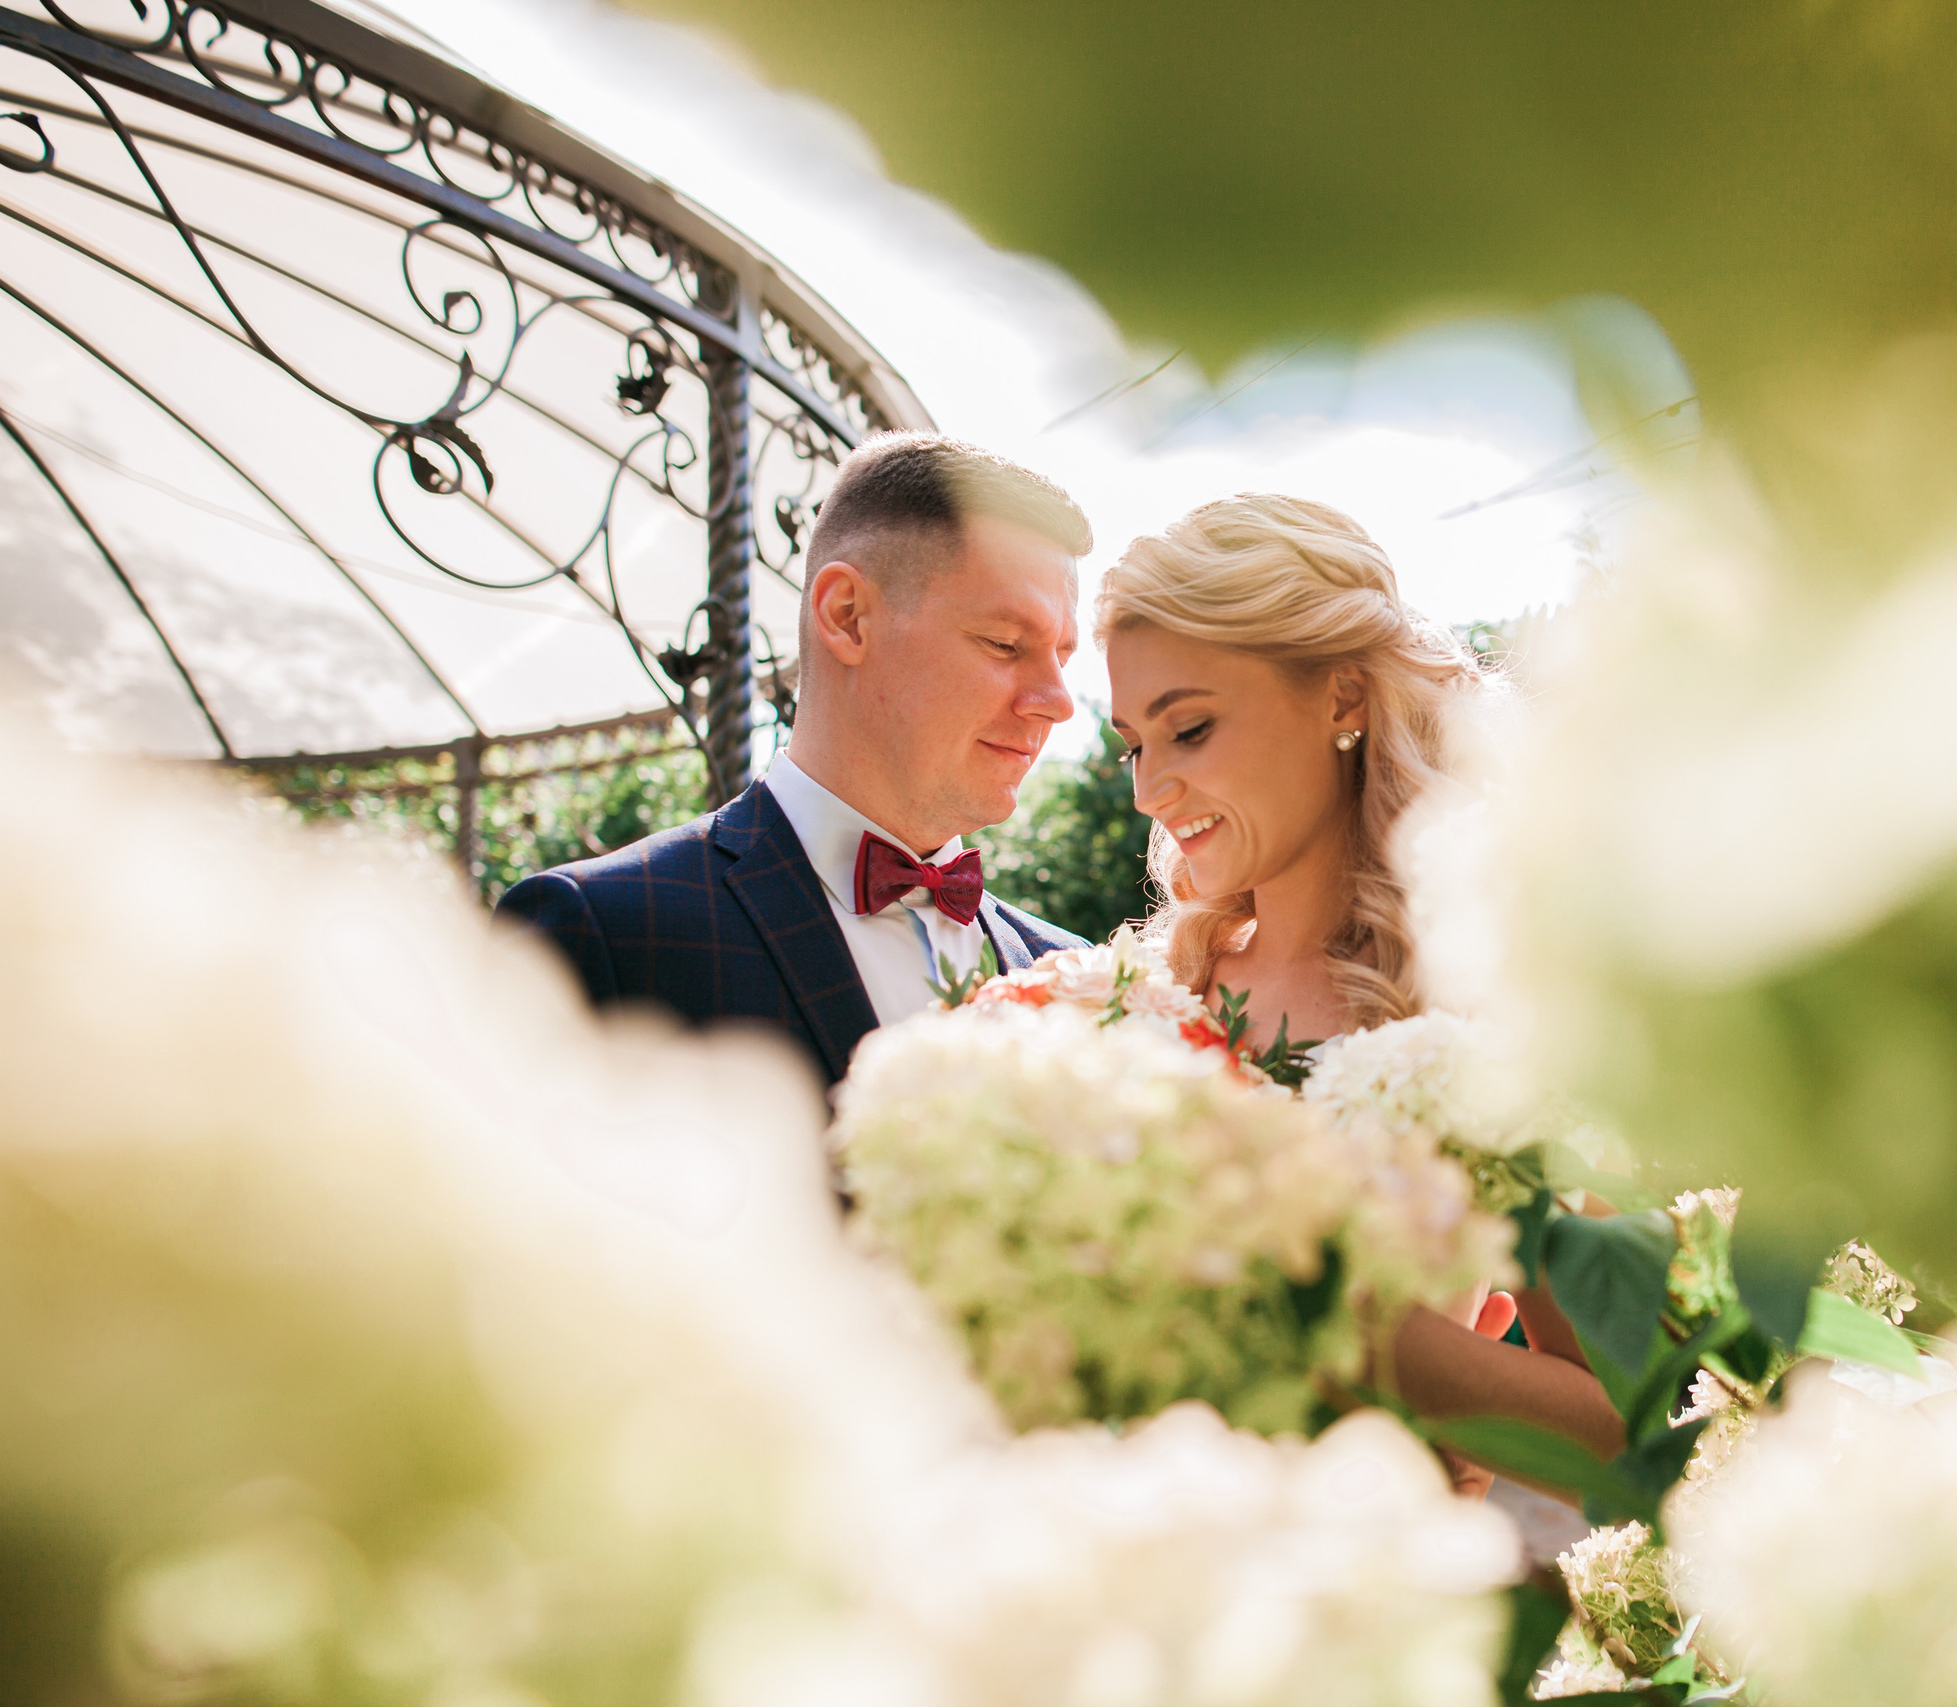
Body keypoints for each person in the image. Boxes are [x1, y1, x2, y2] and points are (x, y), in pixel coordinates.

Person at [1099, 492, 1627, 1494]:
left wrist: (1363, 1335)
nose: (1146, 790)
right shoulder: (1141, 989)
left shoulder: (1493, 1017)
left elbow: (1626, 1431)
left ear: (1342, 699)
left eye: (1190, 728)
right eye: (1134, 743)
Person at [498, 433, 1092, 1098]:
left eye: (1062, 657)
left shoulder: (1072, 972)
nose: (1059, 703)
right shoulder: (604, 931)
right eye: (1006, 643)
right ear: (848, 616)